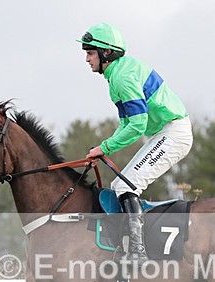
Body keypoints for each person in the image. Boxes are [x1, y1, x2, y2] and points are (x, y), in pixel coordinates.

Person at [77, 22, 193, 263]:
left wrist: (105, 148)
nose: (87, 59)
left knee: (125, 187)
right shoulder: (117, 75)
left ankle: (138, 252)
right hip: (166, 133)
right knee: (121, 185)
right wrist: (103, 147)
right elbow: (126, 124)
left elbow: (137, 125)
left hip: (173, 133)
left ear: (105, 53)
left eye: (90, 53)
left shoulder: (122, 78)